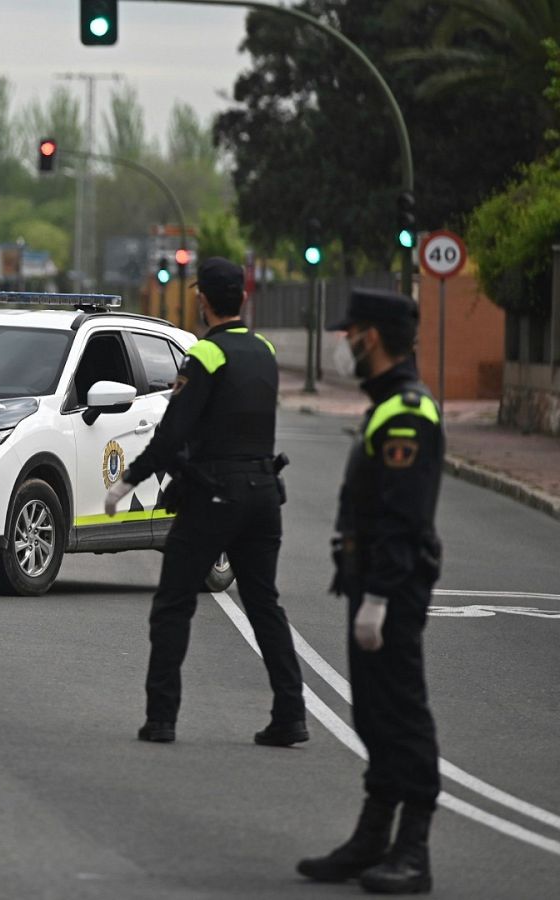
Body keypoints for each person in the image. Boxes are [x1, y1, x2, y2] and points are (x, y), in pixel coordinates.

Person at [104, 257, 306, 745]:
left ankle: (161, 718)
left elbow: (173, 432)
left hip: (215, 495)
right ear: (244, 298)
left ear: (203, 301)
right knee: (265, 606)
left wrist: (128, 481)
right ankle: (291, 715)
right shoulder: (264, 350)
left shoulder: (206, 355)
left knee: (173, 605)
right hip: (264, 493)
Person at [298, 289, 442, 894]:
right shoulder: (386, 405)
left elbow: (403, 517)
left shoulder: (407, 411)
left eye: (349, 333)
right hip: (371, 581)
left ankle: (414, 849)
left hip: (393, 587)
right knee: (375, 713)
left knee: (402, 712)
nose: (344, 343)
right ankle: (372, 836)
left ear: (372, 338)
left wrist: (380, 596)